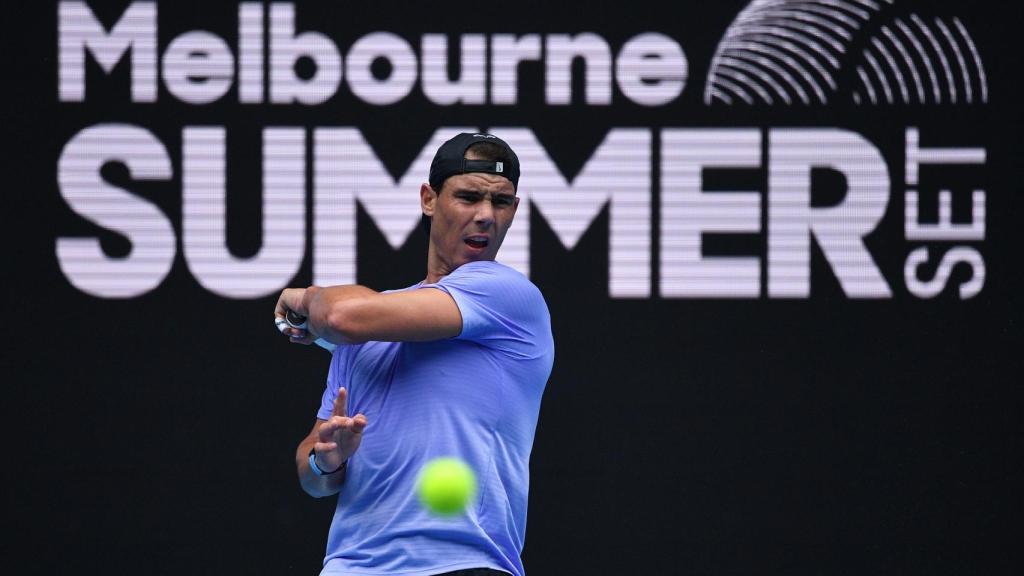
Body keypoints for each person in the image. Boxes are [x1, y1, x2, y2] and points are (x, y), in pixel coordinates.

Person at [274, 133, 555, 576]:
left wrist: (303, 296)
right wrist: (327, 458)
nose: (485, 216)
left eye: (500, 203)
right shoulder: (373, 326)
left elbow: (340, 316)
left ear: (514, 210)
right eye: (468, 197)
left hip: (462, 564)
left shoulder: (509, 296)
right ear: (429, 199)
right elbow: (312, 478)